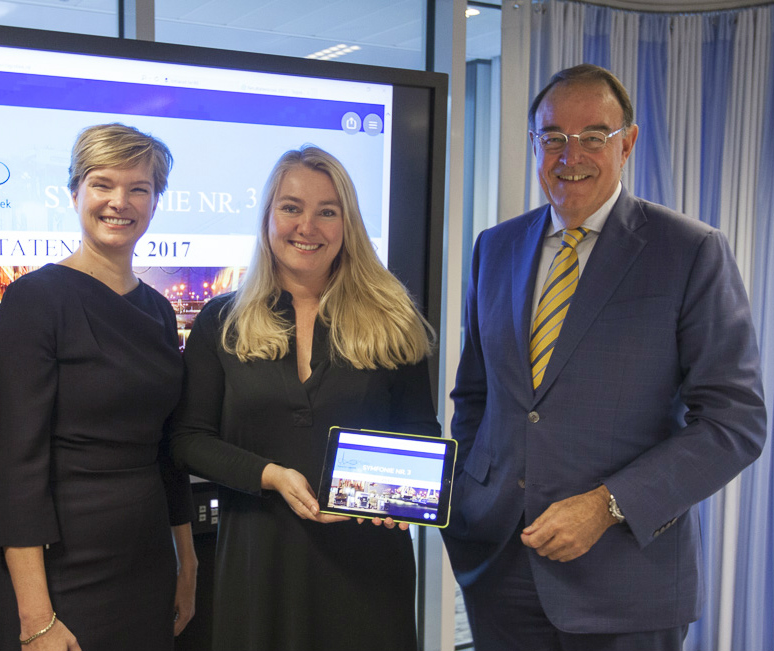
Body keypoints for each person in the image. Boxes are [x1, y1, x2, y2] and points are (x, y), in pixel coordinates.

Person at [443, 63, 767, 651]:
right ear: (535, 145)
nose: (572, 155)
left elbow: (735, 422)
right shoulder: (496, 248)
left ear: (628, 145)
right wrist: (469, 495)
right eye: (554, 138)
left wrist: (607, 505)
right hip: (498, 569)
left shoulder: (689, 251)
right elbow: (476, 396)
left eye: (594, 136)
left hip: (625, 581)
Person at [170, 145, 440, 651]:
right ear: (268, 217)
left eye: (327, 211)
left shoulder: (392, 316)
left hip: (367, 567)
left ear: (348, 224)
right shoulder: (221, 321)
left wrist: (389, 496)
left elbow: (421, 433)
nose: (306, 226)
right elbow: (188, 439)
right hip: (258, 561)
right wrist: (269, 475)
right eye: (291, 207)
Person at [0, 123, 197, 651]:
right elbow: (15, 469)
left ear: (156, 200)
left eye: (138, 188)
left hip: (144, 560)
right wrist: (36, 616)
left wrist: (186, 562)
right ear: (75, 191)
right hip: (57, 572)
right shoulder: (34, 302)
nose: (119, 202)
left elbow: (167, 453)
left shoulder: (159, 312)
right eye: (102, 184)